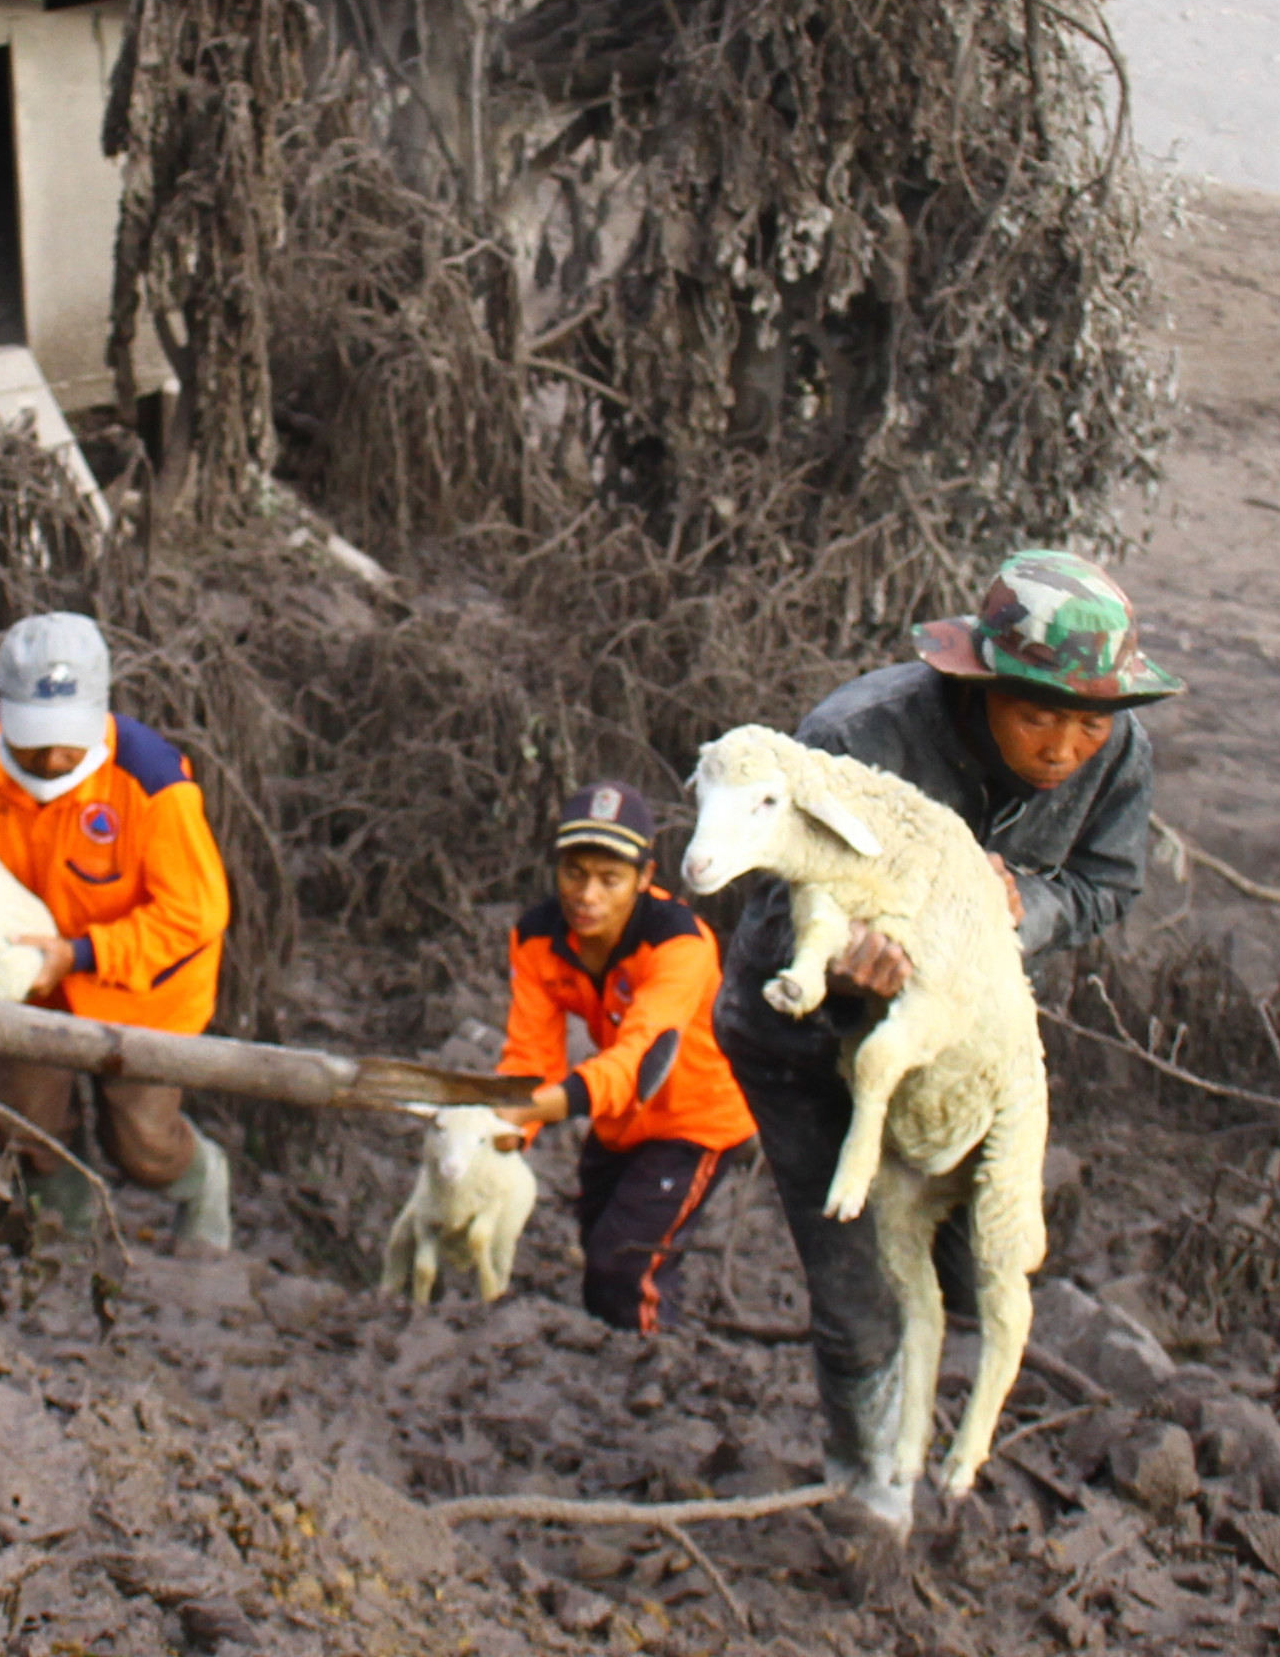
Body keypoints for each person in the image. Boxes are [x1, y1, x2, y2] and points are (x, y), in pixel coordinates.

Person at [711, 549, 1180, 1519]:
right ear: (977, 687)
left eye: (1086, 722)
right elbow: (769, 929)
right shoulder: (859, 739)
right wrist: (844, 967)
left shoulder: (1116, 753)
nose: (1062, 749)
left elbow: (1105, 885)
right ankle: (871, 1493)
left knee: (978, 1259)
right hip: (805, 1049)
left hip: (958, 1041)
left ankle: (1004, 1365)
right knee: (859, 1284)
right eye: (1037, 715)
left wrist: (1027, 911)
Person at [0, 613, 235, 1246]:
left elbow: (197, 914)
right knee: (29, 1128)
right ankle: (64, 1243)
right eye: (38, 735)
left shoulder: (150, 783)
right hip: (23, 991)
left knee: (144, 1144)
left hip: (145, 998)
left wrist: (84, 954)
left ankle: (202, 1181)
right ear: (0, 710)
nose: (55, 755)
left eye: (71, 736)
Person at [501, 781, 758, 1331]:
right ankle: (616, 1358)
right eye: (574, 873)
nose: (586, 895)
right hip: (620, 1119)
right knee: (597, 1242)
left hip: (697, 1119)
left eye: (609, 879)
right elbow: (530, 1053)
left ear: (644, 879)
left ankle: (652, 1371)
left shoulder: (679, 944)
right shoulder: (536, 937)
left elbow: (645, 1057)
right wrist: (503, 1134)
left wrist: (550, 1105)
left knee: (624, 1266)